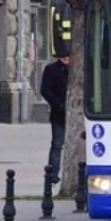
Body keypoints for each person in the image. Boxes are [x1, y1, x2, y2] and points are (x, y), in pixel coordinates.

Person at [40, 52, 70, 183]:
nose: (67, 57)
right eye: (64, 55)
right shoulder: (52, 69)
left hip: (78, 115)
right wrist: (58, 104)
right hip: (59, 113)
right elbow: (45, 90)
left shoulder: (78, 69)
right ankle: (52, 174)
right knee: (57, 144)